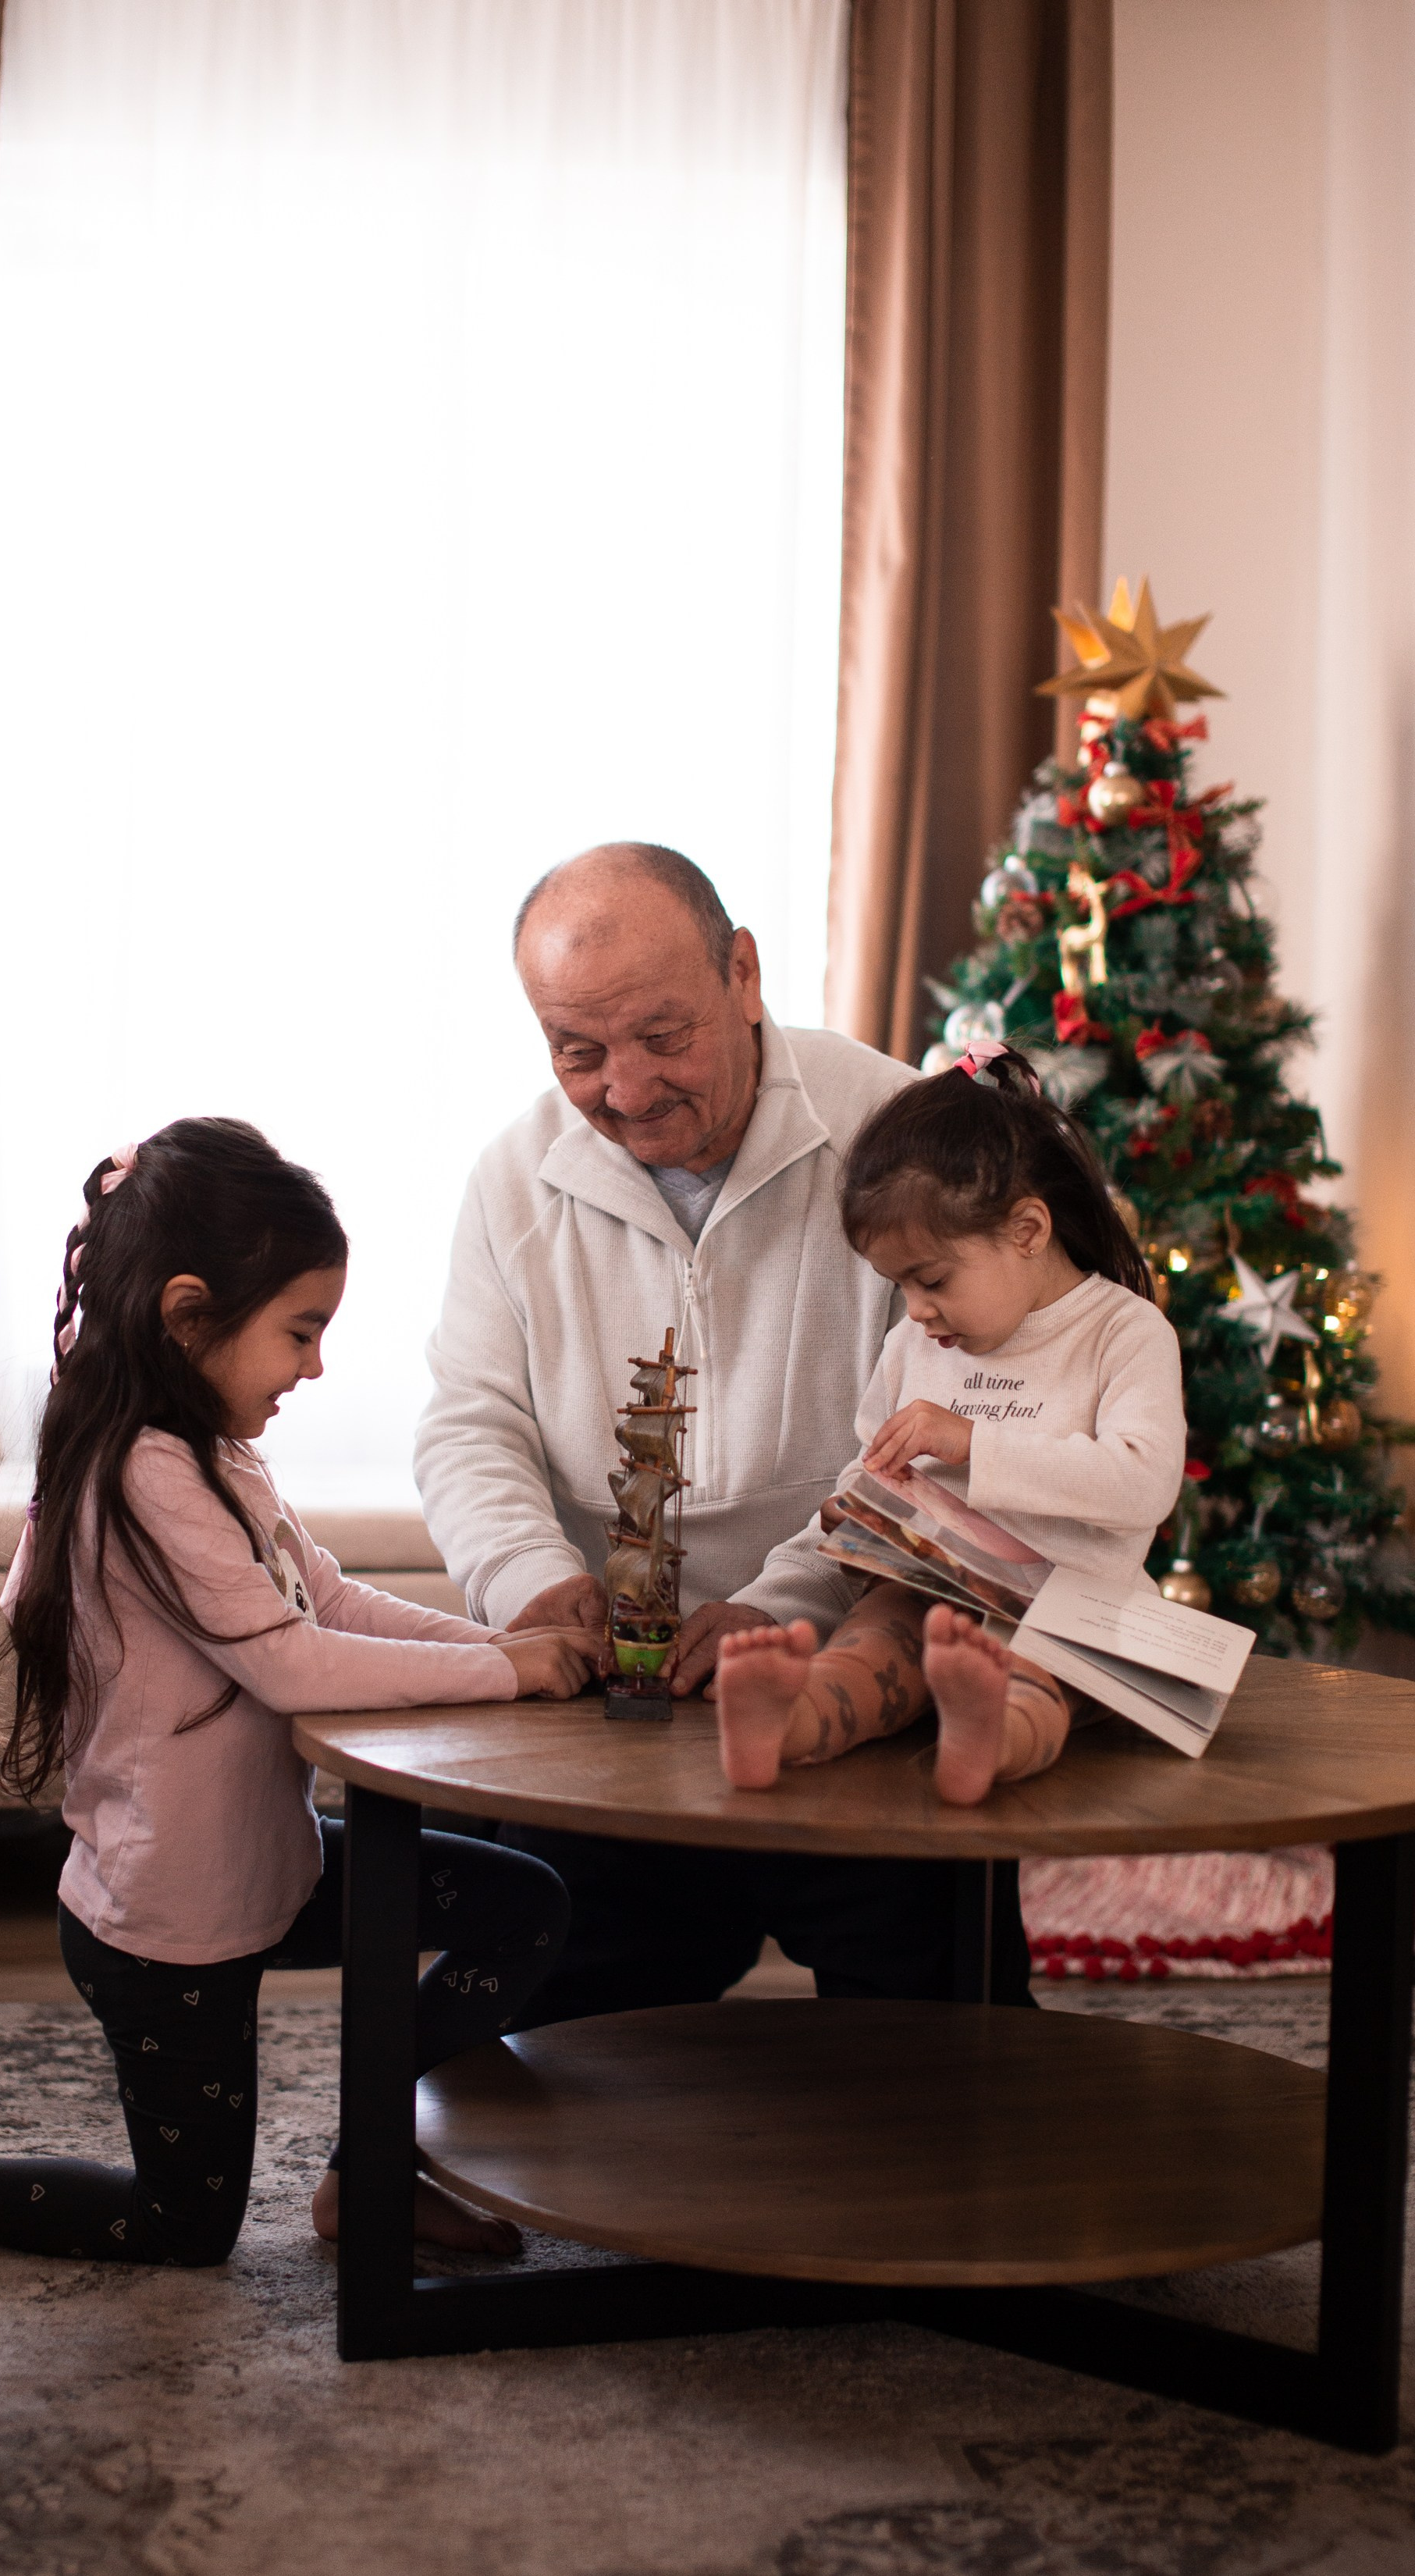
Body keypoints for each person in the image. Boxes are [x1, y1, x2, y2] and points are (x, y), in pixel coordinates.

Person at [0, 1118, 591, 2266]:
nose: (316, 1367)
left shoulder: (213, 1450)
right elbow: (291, 1663)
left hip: (274, 1866)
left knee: (522, 1907)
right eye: (300, 1332)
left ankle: (369, 2173)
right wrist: (505, 1671)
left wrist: (506, 1645)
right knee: (184, 2227)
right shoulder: (139, 1474)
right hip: (169, 1931)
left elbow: (332, 1605)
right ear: (190, 1315)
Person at [414, 841, 995, 2019]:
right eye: (578, 1052)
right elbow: (470, 1423)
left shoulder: (899, 1132)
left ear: (743, 974)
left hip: (854, 1681)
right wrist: (529, 1580)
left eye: (661, 1037)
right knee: (519, 2050)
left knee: (951, 2054)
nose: (623, 1091)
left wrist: (787, 1609)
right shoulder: (513, 1179)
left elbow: (945, 1438)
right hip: (616, 1714)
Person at [715, 1041, 1186, 1802]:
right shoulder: (914, 1344)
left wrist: (971, 1442)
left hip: (1075, 1608)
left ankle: (987, 1737)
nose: (916, 1310)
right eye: (898, 1285)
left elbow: (1142, 1485)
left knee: (1033, 1680)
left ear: (1028, 1231)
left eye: (930, 1280)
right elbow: (871, 1466)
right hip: (932, 1593)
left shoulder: (1122, 1332)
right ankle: (788, 1721)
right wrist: (857, 1510)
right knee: (864, 1649)